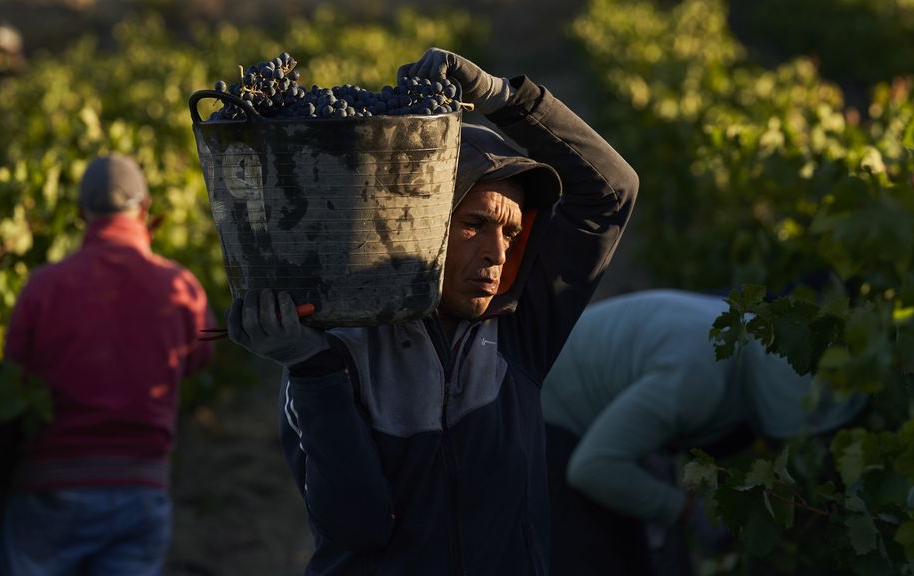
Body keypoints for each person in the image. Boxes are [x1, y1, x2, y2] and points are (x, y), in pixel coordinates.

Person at [226, 48, 639, 575]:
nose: (497, 253)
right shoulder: (340, 346)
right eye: (474, 225)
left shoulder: (518, 330)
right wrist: (312, 372)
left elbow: (612, 193)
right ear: (415, 224)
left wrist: (502, 96)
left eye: (511, 234)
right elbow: (357, 526)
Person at [0, 153, 215, 575]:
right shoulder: (181, 287)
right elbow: (200, 356)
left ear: (80, 213)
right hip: (141, 489)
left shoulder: (43, 287)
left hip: (50, 488)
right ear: (145, 208)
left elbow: (12, 381)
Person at [541, 289, 868, 575]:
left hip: (567, 396)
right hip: (547, 417)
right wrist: (687, 510)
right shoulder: (697, 381)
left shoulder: (741, 331)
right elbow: (592, 468)